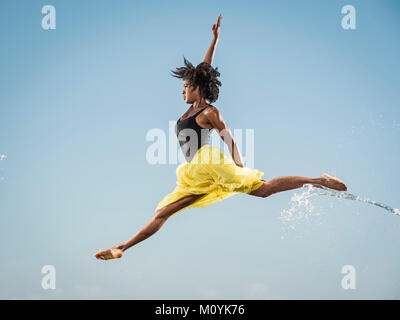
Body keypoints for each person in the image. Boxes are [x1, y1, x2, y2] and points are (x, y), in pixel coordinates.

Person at [94, 14, 347, 260]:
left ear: (197, 88)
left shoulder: (209, 112)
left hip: (208, 164)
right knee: (163, 211)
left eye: (185, 87)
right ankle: (122, 248)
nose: (182, 91)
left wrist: (240, 168)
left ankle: (320, 180)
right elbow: (204, 70)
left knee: (263, 189)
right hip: (194, 172)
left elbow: (229, 139)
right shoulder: (191, 108)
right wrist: (214, 41)